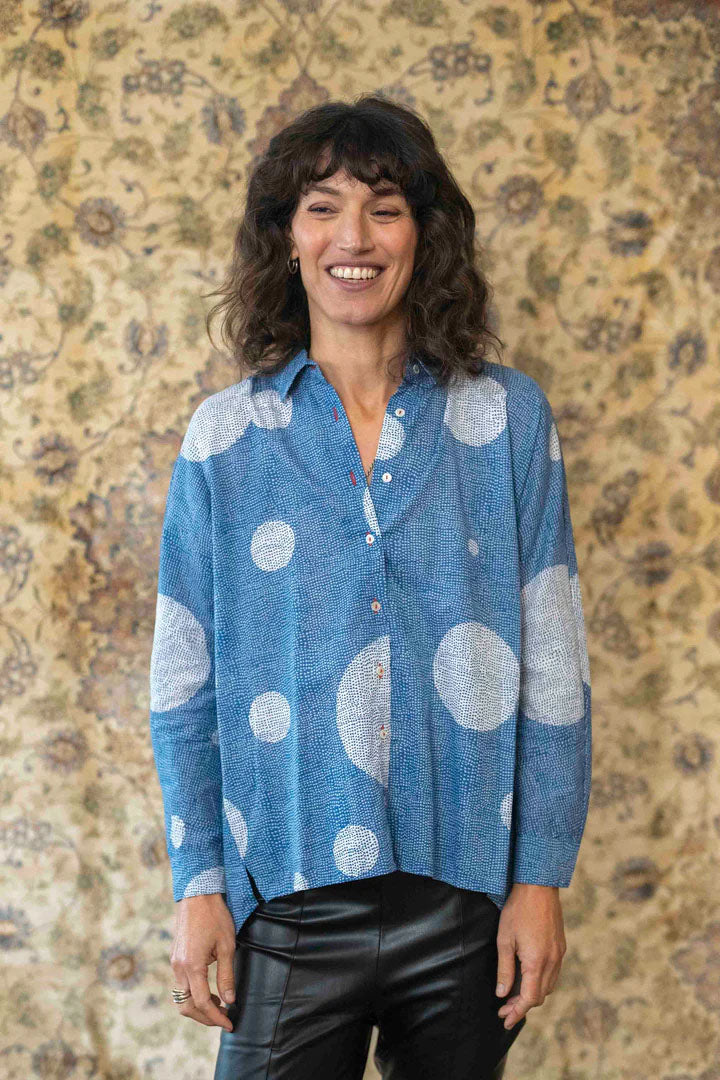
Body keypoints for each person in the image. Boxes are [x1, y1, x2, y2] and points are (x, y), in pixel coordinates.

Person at [149, 94, 592, 1080]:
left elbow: (556, 668)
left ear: (423, 236)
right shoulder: (225, 440)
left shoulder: (508, 420)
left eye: (384, 208)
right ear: (287, 237)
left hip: (466, 909)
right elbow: (184, 684)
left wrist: (540, 879)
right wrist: (197, 883)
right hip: (284, 905)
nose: (353, 237)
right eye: (323, 207)